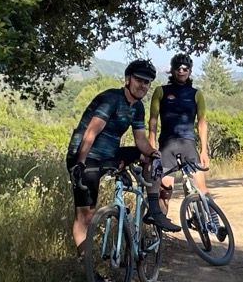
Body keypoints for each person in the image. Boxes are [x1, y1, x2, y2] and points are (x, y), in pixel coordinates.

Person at [67, 59, 178, 253]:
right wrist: (80, 163)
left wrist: (153, 152)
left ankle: (153, 206)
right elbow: (91, 132)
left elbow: (141, 141)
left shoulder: (137, 107)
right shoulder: (112, 99)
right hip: (86, 156)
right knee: (85, 215)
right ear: (128, 79)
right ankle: (86, 266)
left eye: (147, 82)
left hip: (109, 155)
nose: (143, 85)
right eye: (139, 80)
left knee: (149, 157)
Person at [149, 52, 210, 224]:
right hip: (167, 145)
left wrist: (204, 150)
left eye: (185, 68)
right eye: (178, 68)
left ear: (190, 71)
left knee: (201, 189)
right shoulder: (161, 91)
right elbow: (152, 120)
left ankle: (212, 221)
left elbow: (202, 123)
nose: (181, 71)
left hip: (188, 144)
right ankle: (160, 229)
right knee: (165, 191)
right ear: (172, 70)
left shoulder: (196, 94)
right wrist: (152, 147)